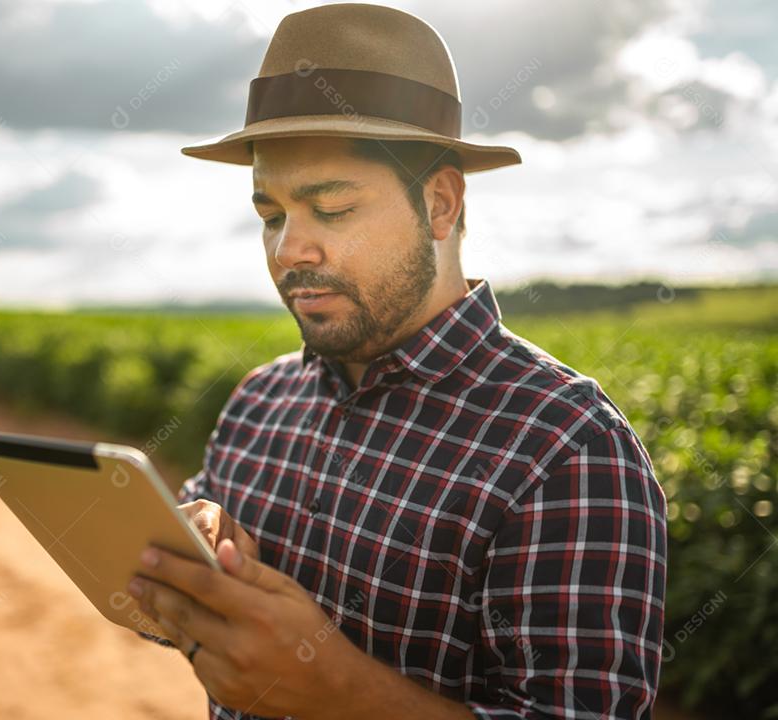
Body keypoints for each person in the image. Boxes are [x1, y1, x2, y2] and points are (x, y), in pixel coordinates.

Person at [129, 4, 667, 719]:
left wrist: (333, 689)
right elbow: (197, 613)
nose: (290, 249)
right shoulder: (259, 404)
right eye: (272, 214)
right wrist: (193, 561)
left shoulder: (567, 450)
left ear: (440, 204)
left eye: (332, 207)